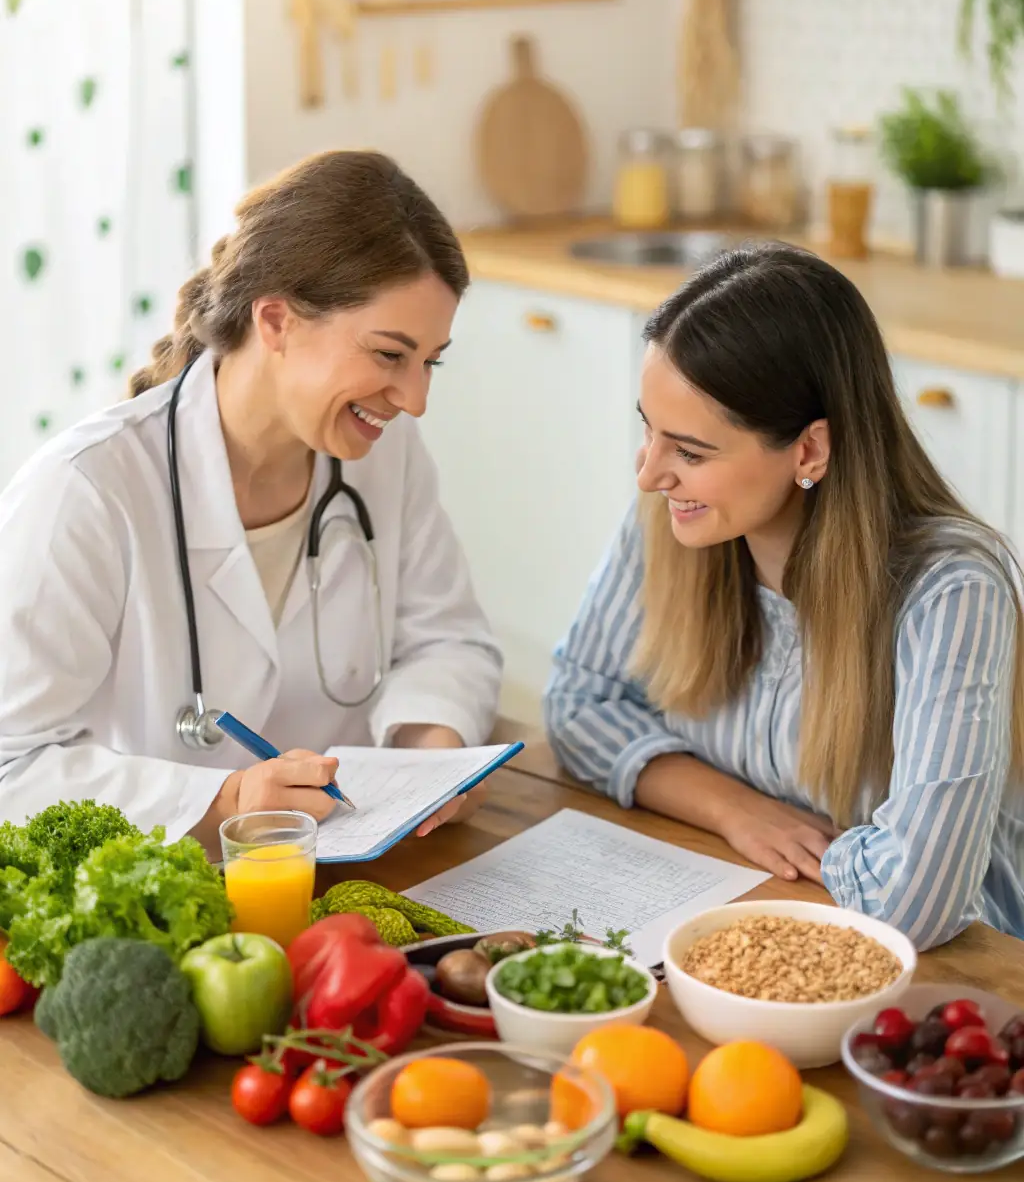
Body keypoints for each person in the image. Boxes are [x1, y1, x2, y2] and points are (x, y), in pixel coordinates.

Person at [0, 150, 502, 849]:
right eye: (390, 355)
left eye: (430, 360)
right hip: (166, 888)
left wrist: (430, 750)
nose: (415, 400)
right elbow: (11, 765)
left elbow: (448, 638)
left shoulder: (382, 454)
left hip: (350, 870)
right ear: (275, 321)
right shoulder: (85, 491)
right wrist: (224, 797)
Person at [545, 242, 1024, 950]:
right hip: (763, 907)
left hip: (954, 976)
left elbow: (914, 899)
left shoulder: (951, 591)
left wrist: (803, 853)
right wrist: (736, 810)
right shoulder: (677, 517)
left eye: (690, 451)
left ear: (809, 452)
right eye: (647, 429)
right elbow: (577, 706)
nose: (650, 474)